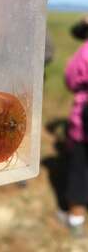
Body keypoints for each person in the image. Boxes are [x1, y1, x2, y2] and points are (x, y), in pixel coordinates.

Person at [58, 27, 88, 236]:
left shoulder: (84, 52)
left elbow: (70, 79)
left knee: (80, 169)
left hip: (84, 127)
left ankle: (76, 219)